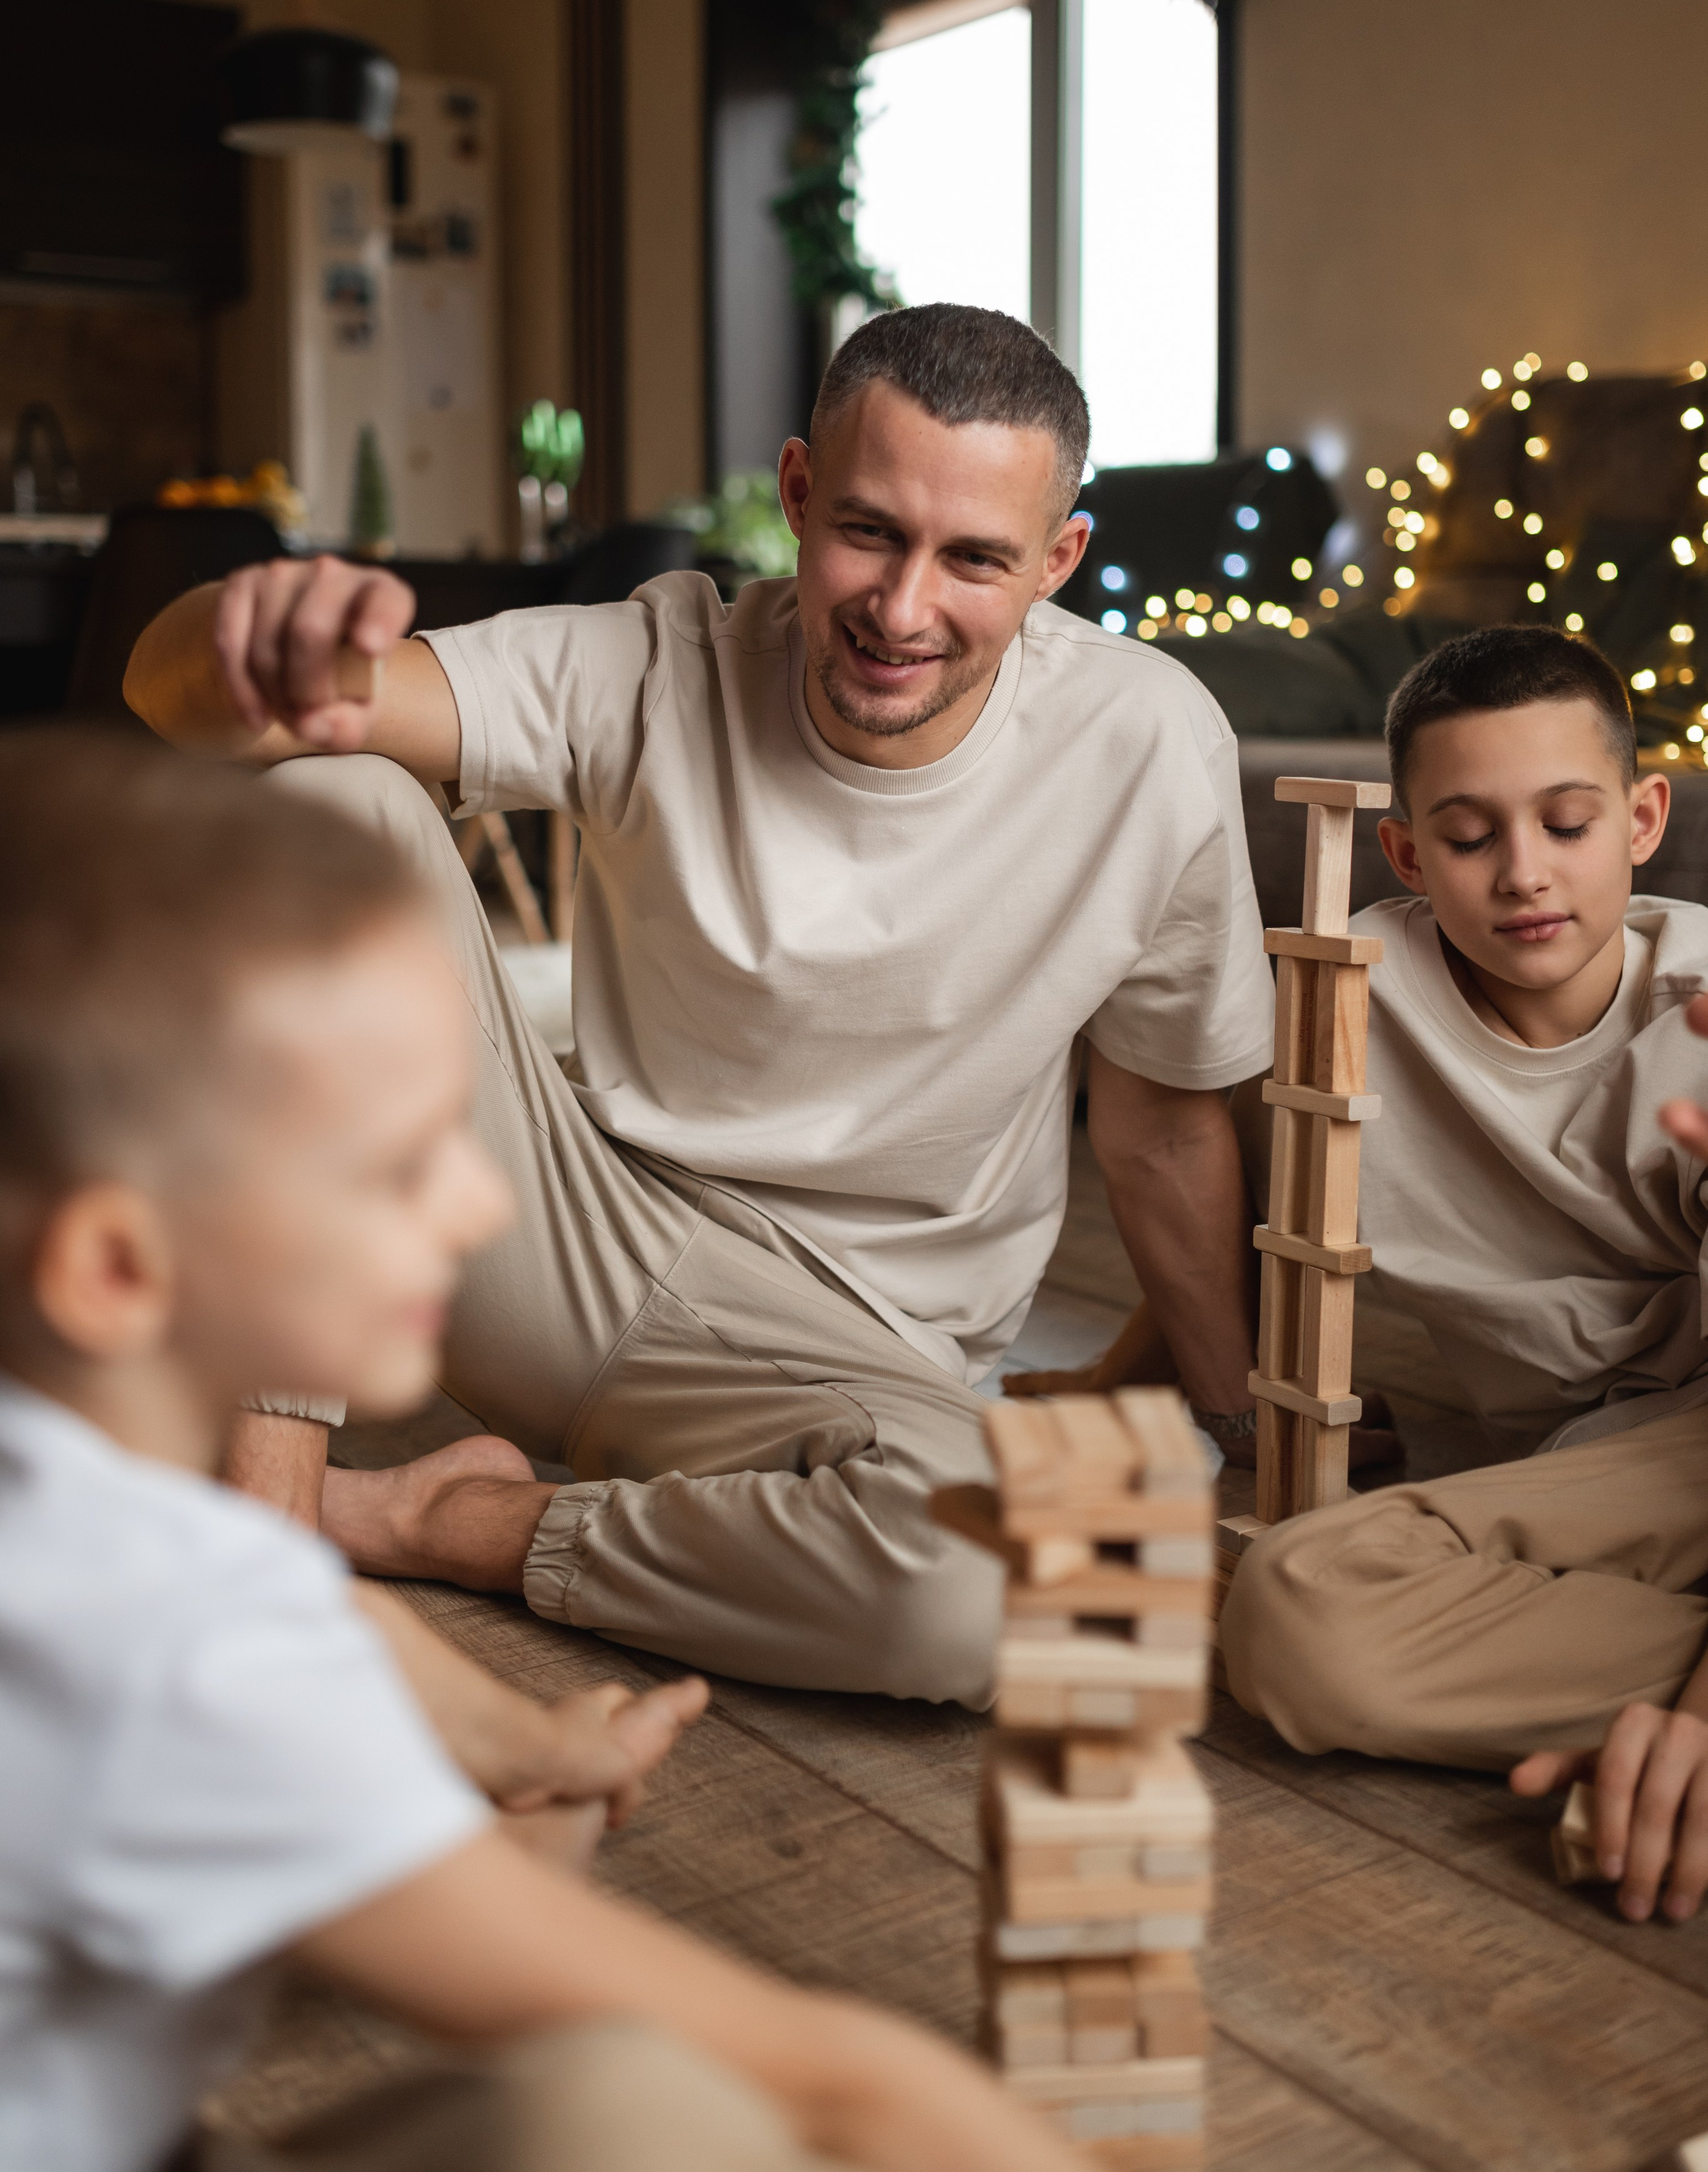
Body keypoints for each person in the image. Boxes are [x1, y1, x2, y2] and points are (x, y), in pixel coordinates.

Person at [125, 304, 1276, 1704]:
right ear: (796, 494)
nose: (901, 609)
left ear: (1055, 561)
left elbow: (1161, 1129)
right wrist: (236, 628)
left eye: (971, 557)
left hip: (855, 1356)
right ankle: (262, 1529)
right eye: (865, 530)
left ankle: (433, 1520)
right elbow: (185, 699)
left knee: (982, 1582)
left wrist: (1237, 1412)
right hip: (571, 1246)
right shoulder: (657, 660)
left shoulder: (1148, 744)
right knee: (331, 796)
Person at [0, 726, 1076, 2172]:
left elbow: (271, 1607)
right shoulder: (178, 1666)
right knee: (655, 2111)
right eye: (393, 1165)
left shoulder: (78, 1511)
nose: (469, 1202)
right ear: (119, 1269)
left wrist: (530, 1746)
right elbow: (830, 2086)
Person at [1219, 623, 1708, 1925]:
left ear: (1640, 817)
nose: (1522, 874)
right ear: (1404, 852)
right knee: (1298, 1620)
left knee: (1293, 1589)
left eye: (1564, 822)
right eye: (1468, 834)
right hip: (1565, 1470)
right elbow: (1235, 1202)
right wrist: (1134, 1384)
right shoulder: (1348, 997)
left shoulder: (1699, 1017)